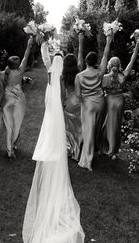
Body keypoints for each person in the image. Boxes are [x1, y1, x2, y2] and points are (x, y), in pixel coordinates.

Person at [22, 43, 85, 243]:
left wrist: (42, 46)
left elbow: (49, 95)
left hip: (50, 112)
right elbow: (61, 97)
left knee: (49, 132)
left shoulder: (50, 75)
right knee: (59, 135)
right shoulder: (60, 77)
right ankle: (60, 151)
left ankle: (50, 148)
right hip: (58, 112)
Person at [75, 33, 113, 171]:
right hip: (101, 103)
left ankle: (87, 160)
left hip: (89, 105)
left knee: (88, 132)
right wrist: (108, 41)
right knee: (95, 129)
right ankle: (93, 151)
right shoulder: (100, 72)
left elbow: (78, 95)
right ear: (95, 62)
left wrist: (85, 99)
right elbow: (105, 56)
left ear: (86, 61)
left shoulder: (79, 76)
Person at [101, 39, 139, 159]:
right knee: (117, 125)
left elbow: (100, 90)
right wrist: (137, 48)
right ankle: (114, 150)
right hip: (119, 101)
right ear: (119, 65)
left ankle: (106, 147)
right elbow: (132, 61)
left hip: (108, 100)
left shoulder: (104, 77)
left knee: (107, 123)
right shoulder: (123, 76)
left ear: (109, 65)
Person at [1, 37, 33, 160]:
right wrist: (29, 44)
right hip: (19, 100)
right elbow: (26, 55)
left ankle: (10, 150)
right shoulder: (20, 71)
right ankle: (13, 145)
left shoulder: (6, 71)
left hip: (7, 100)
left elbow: (2, 83)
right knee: (17, 124)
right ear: (17, 64)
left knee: (9, 126)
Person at [61, 33, 84, 161]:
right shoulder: (79, 70)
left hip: (68, 103)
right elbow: (80, 55)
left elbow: (62, 94)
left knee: (69, 128)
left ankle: (70, 150)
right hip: (79, 102)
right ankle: (79, 151)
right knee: (79, 127)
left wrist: (62, 104)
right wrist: (80, 42)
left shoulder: (63, 76)